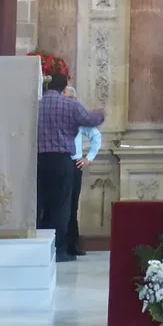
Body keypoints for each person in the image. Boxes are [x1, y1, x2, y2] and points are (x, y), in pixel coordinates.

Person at [36, 73, 103, 262]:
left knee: (43, 205)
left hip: (40, 160)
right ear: (64, 88)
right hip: (63, 160)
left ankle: (42, 248)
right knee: (62, 207)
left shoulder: (37, 105)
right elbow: (91, 120)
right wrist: (101, 113)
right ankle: (60, 250)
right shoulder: (69, 105)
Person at [64, 86, 102, 257]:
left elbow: (95, 136)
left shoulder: (78, 119)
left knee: (72, 206)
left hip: (74, 165)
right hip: (58, 161)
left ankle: (72, 244)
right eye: (66, 97)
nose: (69, 101)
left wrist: (89, 158)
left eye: (72, 98)